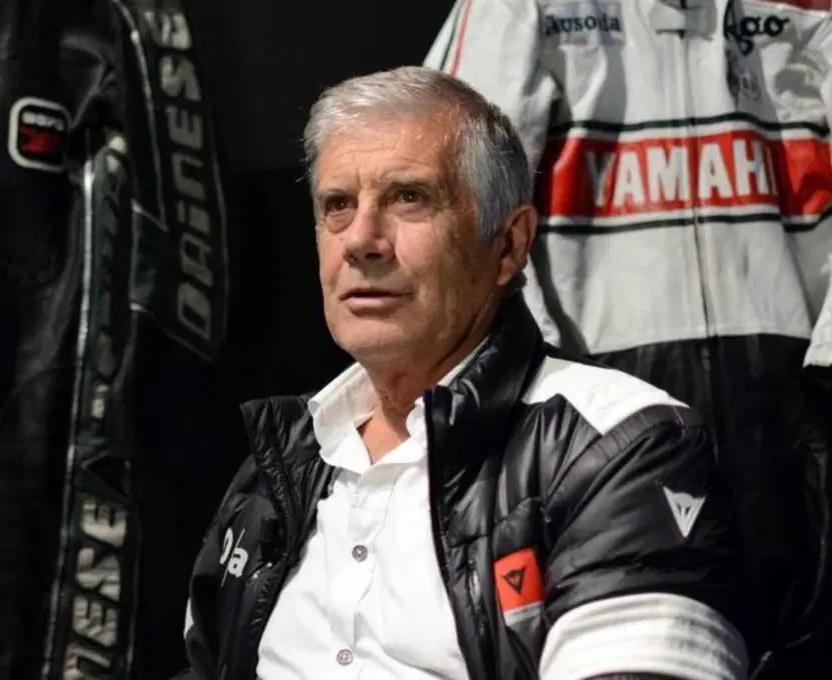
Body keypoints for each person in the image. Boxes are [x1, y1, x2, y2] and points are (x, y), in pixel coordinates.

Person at [180, 66, 749, 680]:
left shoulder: (622, 443)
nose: (361, 240)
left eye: (409, 198)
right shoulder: (279, 463)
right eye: (337, 205)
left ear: (508, 245)